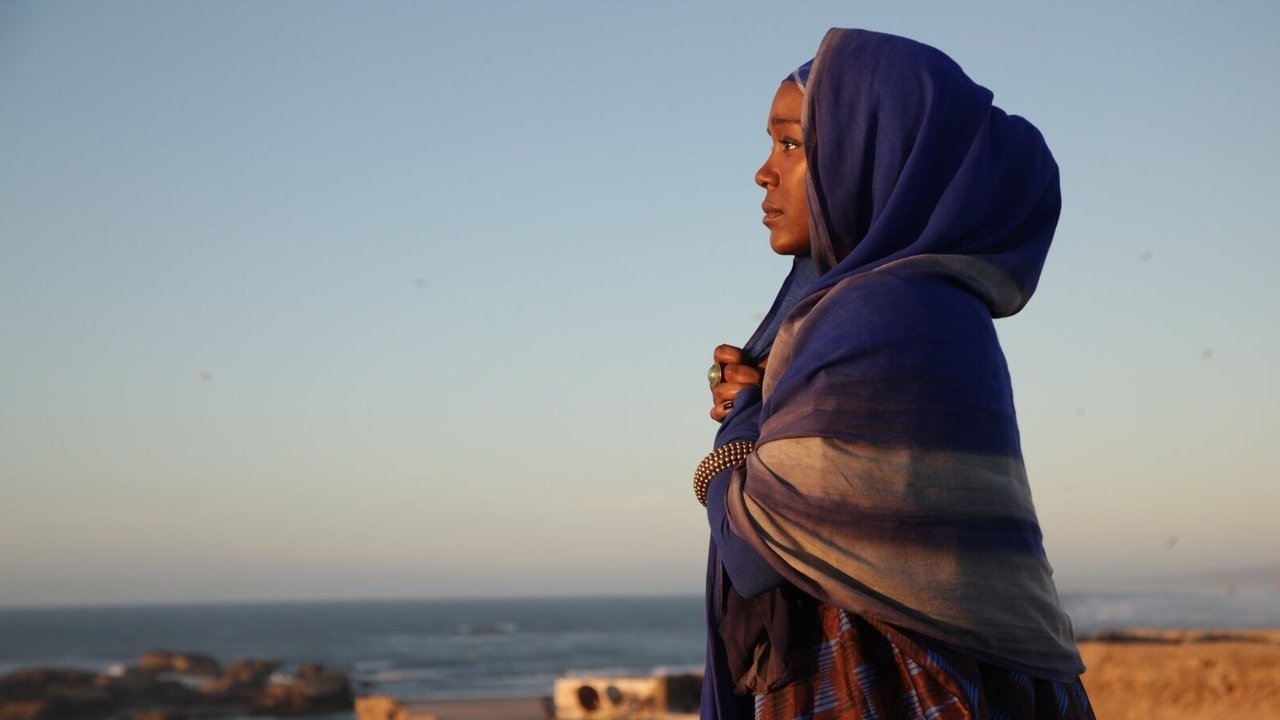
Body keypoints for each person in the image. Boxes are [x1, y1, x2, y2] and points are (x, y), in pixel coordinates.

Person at [695, 29, 1095, 720]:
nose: (764, 172)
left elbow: (758, 548)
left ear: (869, 157)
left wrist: (739, 429)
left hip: (892, 691)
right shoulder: (935, 307)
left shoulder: (883, 314)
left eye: (791, 144)